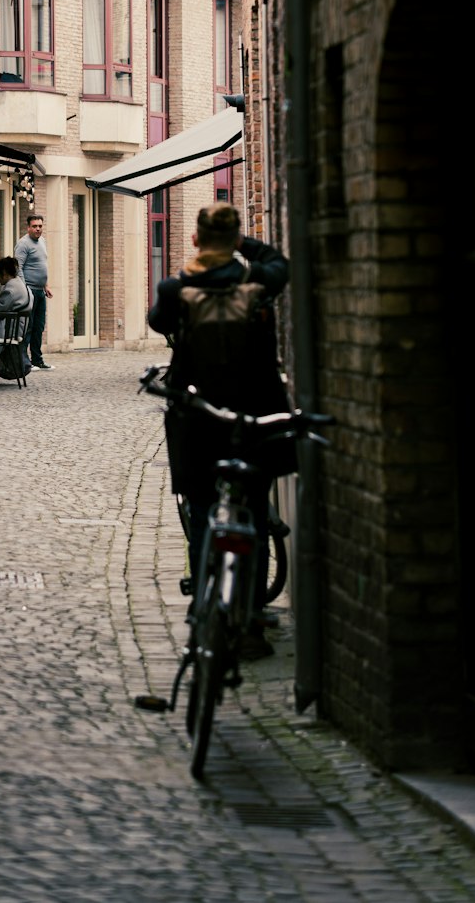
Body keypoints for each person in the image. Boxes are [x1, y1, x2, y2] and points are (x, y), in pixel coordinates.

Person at [148, 202, 289, 657]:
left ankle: (204, 604)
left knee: (205, 506)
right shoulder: (256, 281)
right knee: (250, 509)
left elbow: (159, 323)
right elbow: (278, 263)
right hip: (254, 412)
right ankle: (248, 620)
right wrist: (242, 245)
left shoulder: (175, 288)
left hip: (198, 414)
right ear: (233, 241)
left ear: (194, 239)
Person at [0, 255, 33, 373]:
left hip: (9, 330)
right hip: (17, 328)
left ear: (4, 273)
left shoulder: (11, 289)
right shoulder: (20, 284)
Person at [14, 213, 53, 369]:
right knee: (27, 327)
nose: (38, 229)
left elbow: (42, 266)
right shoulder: (23, 244)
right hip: (29, 291)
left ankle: (37, 360)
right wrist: (25, 290)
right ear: (28, 227)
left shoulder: (42, 241)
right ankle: (25, 362)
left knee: (39, 326)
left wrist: (46, 286)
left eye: (40, 226)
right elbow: (18, 268)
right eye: (35, 226)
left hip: (40, 291)